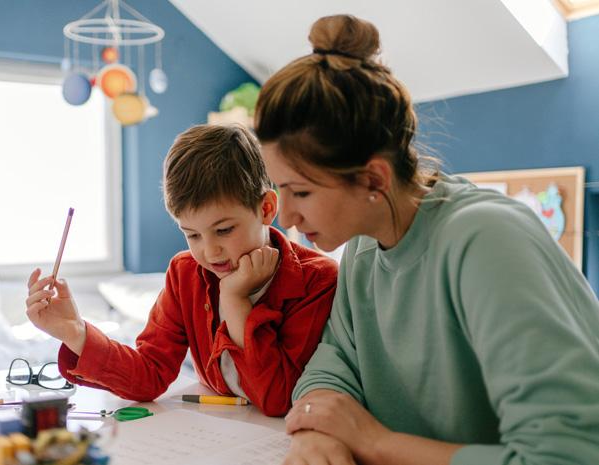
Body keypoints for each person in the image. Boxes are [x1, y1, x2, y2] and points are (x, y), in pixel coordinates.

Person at [254, 14, 599, 465]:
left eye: (301, 191)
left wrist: (373, 441)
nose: (287, 214)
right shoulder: (363, 246)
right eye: (280, 188)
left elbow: (567, 456)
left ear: (374, 178)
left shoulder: (487, 243)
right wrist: (317, 433)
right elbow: (334, 359)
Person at [25, 124, 338, 416]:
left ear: (266, 208)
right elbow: (150, 374)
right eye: (192, 235)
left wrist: (235, 301)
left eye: (225, 230)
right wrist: (74, 332)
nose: (210, 251)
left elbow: (277, 399)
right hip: (214, 433)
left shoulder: (317, 280)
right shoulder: (185, 272)